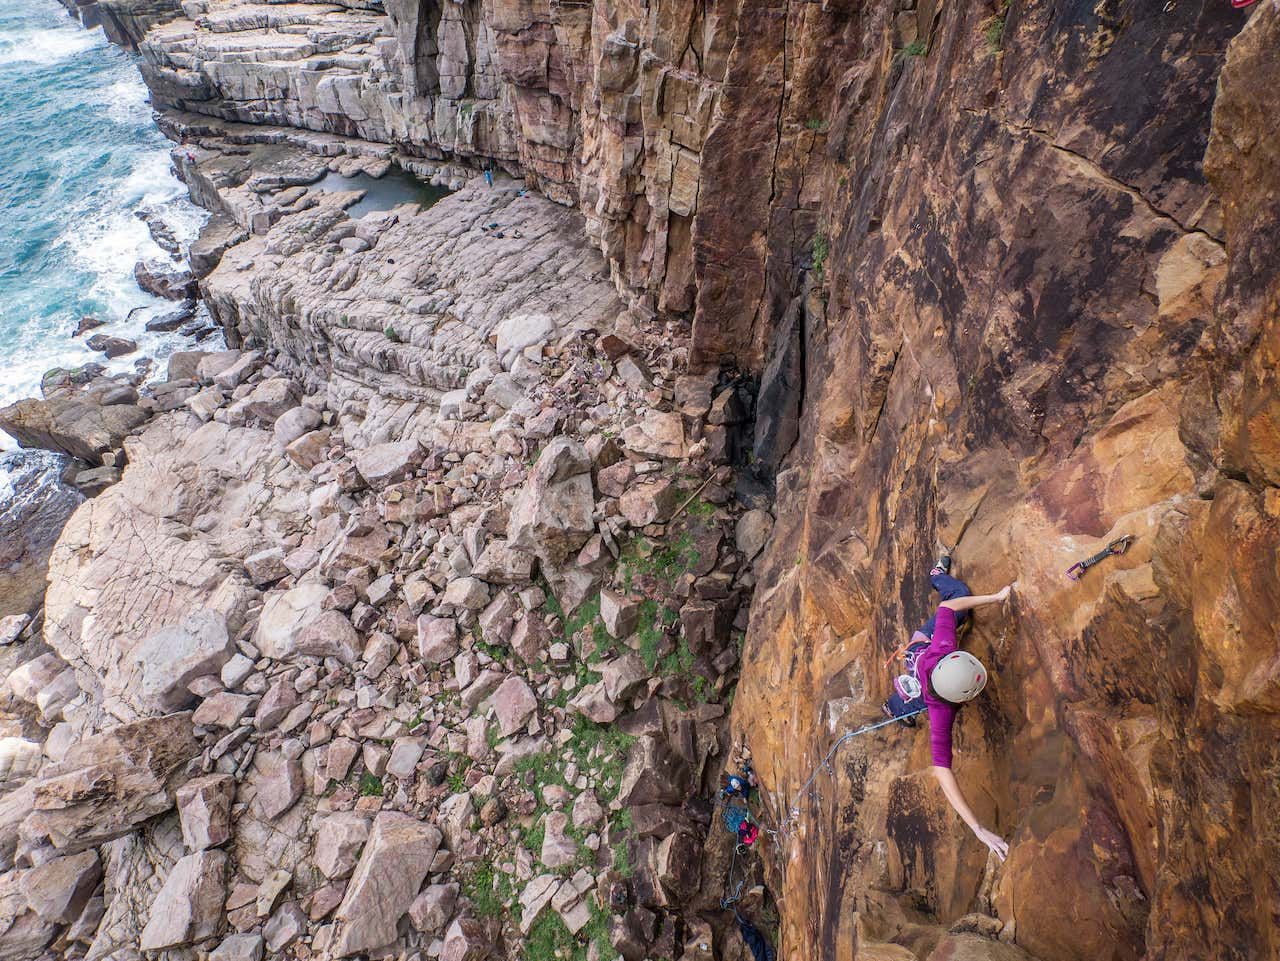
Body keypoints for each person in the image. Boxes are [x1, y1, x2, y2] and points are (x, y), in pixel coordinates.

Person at [913, 548, 1013, 862]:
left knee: (959, 595)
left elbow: (948, 607)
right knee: (958, 593)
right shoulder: (940, 713)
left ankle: (936, 576)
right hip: (918, 658)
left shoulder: (943, 648)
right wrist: (978, 829)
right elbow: (941, 772)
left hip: (920, 648)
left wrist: (995, 598)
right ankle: (936, 576)